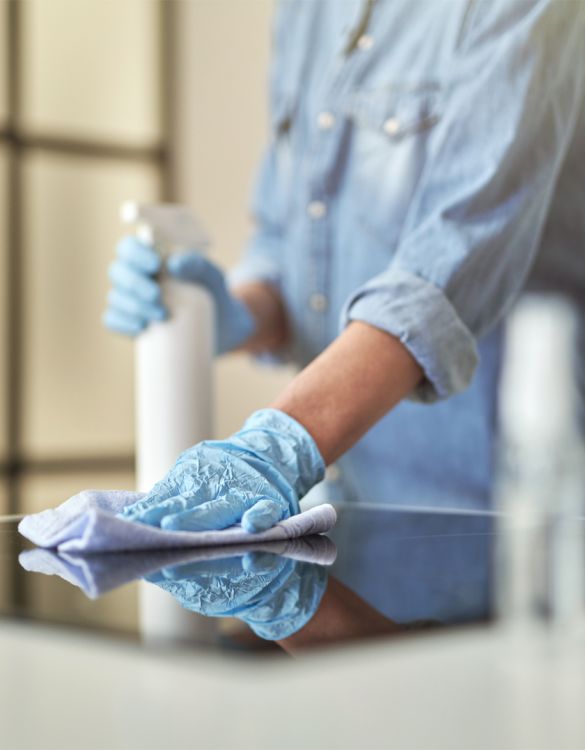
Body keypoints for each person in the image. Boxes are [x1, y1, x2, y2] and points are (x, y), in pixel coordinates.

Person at [104, 0, 585, 533]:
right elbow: (291, 246)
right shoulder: (304, 12)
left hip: (510, 518)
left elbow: (443, 275)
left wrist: (278, 446)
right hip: (354, 508)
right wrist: (232, 311)